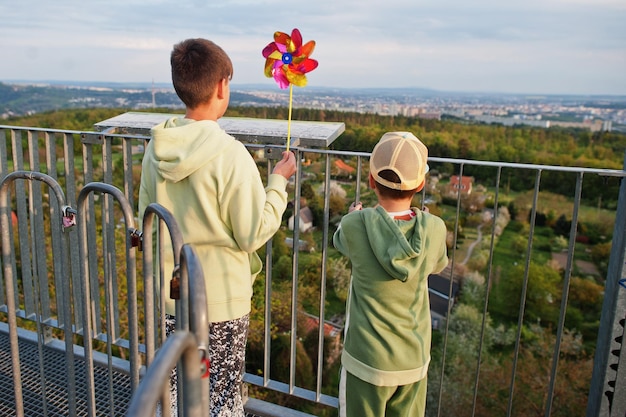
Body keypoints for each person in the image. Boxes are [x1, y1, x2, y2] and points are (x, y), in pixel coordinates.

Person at [138, 38, 296, 417]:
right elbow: (253, 233)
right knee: (220, 397)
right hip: (221, 303)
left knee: (174, 395)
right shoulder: (231, 154)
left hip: (170, 296)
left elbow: (149, 223)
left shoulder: (155, 148)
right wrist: (278, 182)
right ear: (222, 86)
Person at [333, 131, 448, 417]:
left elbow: (340, 241)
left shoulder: (354, 225)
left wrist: (355, 215)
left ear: (371, 181)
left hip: (366, 360)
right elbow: (438, 265)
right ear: (420, 184)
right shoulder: (434, 229)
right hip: (412, 359)